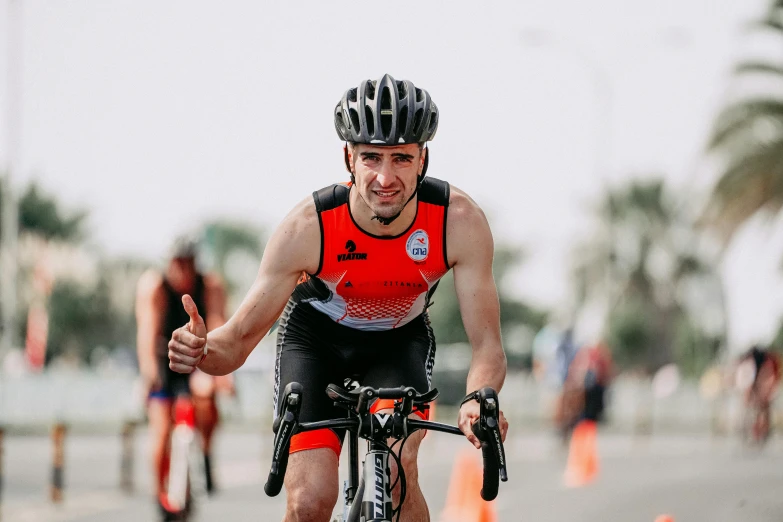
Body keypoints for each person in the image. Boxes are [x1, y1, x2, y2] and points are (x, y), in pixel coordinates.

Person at [167, 74, 509, 522]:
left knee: (399, 468)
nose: (386, 177)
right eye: (371, 158)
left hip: (398, 340)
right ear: (348, 158)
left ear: (423, 158)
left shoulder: (457, 222)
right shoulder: (308, 228)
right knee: (309, 501)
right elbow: (235, 342)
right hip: (315, 342)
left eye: (401, 158)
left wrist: (477, 399)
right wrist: (201, 349)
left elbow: (486, 344)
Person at [135, 235, 231, 517]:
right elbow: (147, 332)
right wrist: (149, 374)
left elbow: (216, 322)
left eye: (188, 263)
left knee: (207, 399)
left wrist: (220, 372)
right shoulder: (154, 287)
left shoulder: (210, 285)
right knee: (161, 429)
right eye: (178, 263)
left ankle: (206, 453)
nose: (183, 270)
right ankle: (159, 493)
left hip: (197, 354)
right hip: (162, 358)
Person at [736, 344, 781, 442]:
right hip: (761, 392)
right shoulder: (762, 363)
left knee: (759, 412)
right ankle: (756, 430)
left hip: (763, 392)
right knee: (757, 412)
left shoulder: (765, 364)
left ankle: (760, 431)